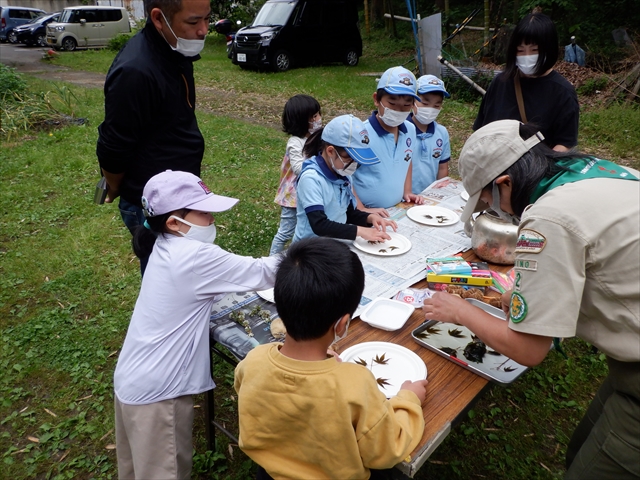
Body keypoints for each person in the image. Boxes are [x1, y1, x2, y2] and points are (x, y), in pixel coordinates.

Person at [423, 120, 639, 480]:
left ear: (505, 183)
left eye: (489, 203)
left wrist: (460, 310)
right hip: (627, 364)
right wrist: (529, 294)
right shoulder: (603, 170)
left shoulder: (550, 217)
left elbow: (528, 350)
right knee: (582, 447)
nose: (496, 212)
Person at [113, 170, 280, 480]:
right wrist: (316, 252)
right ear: (174, 222)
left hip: (133, 378)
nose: (212, 218)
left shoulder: (163, 244)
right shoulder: (194, 256)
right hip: (159, 395)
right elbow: (263, 272)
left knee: (137, 470)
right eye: (204, 212)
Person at [235, 237, 428, 479]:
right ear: (342, 324)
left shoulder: (252, 361)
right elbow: (387, 451)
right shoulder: (355, 384)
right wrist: (408, 400)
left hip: (268, 472)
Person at [96, 0, 211, 274]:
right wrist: (113, 186)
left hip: (181, 189)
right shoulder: (135, 71)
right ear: (159, 18)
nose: (204, 30)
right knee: (165, 275)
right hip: (155, 200)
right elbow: (113, 146)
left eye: (208, 19)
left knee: (186, 269)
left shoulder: (174, 48)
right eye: (194, 22)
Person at [473, 13, 579, 151]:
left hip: (538, 169)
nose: (527, 56)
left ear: (549, 49)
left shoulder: (563, 92)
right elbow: (481, 129)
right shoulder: (500, 83)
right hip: (495, 166)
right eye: (520, 50)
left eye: (534, 50)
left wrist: (540, 168)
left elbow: (565, 142)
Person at [292, 114, 397, 244]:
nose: (354, 165)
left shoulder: (343, 174)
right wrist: (361, 231)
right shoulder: (311, 179)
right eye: (349, 159)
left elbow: (346, 213)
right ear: (331, 151)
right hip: (309, 250)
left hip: (333, 245)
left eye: (357, 161)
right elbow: (319, 224)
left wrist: (369, 218)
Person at [352, 66, 426, 214]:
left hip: (396, 210)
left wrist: (407, 191)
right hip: (366, 213)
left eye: (406, 105)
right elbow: (344, 175)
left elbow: (407, 159)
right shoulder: (361, 135)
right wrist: (360, 208)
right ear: (376, 100)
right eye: (392, 104)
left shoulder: (410, 130)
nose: (398, 111)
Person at [269, 94, 322, 255]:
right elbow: (298, 167)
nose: (319, 118)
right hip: (292, 196)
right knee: (285, 231)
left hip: (309, 193)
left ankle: (296, 257)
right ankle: (271, 261)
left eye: (318, 114)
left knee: (304, 229)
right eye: (314, 117)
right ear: (301, 121)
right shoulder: (295, 142)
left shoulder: (317, 138)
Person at [408, 74, 452, 194]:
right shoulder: (402, 130)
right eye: (425, 104)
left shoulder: (441, 133)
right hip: (404, 196)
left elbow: (442, 167)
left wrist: (440, 191)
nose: (430, 109)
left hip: (429, 195)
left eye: (436, 105)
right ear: (413, 101)